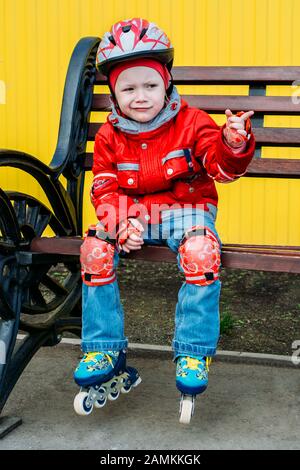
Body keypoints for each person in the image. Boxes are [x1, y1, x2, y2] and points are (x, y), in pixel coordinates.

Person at [73, 18, 255, 422]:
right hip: (134, 214)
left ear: (167, 83)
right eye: (129, 88)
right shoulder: (109, 135)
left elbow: (221, 168)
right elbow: (103, 188)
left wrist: (233, 143)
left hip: (188, 212)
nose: (141, 97)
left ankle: (193, 354)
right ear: (114, 93)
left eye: (151, 85)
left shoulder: (192, 122)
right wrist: (122, 223)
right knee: (94, 251)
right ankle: (104, 347)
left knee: (201, 252)